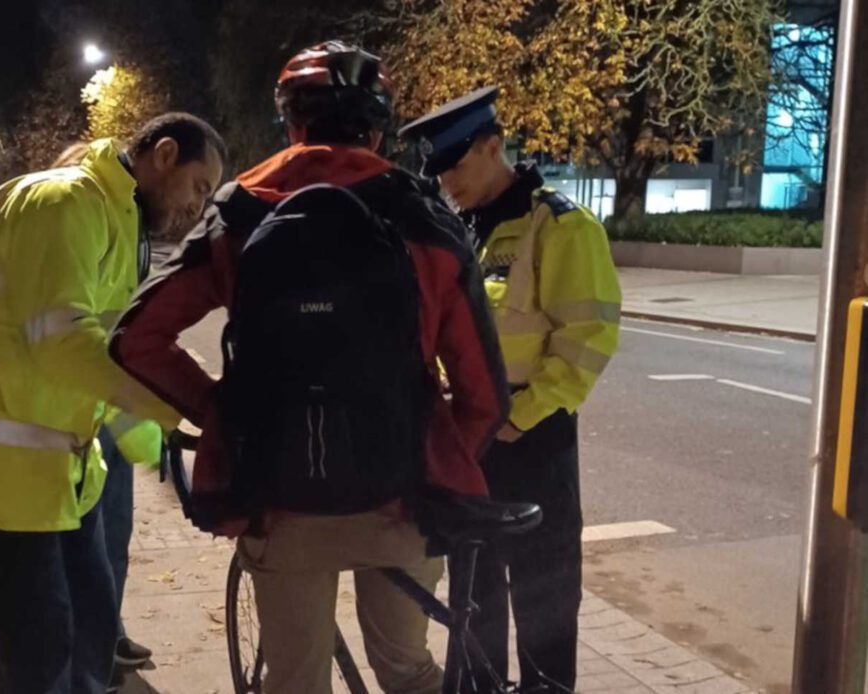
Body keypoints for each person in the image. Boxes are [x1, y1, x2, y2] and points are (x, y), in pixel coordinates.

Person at [109, 42, 511, 694]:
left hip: (279, 498)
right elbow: (485, 396)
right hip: (399, 505)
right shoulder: (423, 214)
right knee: (408, 671)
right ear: (377, 127)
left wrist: (221, 414)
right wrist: (429, 462)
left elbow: (137, 339)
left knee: (295, 682)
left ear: (291, 124)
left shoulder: (239, 208)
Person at [0, 113, 225, 694]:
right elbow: (61, 344)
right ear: (166, 154)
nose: (196, 206)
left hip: (59, 472)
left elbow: (112, 354)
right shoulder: (61, 201)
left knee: (93, 628)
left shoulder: (120, 220)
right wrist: (179, 407)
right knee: (39, 649)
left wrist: (164, 443)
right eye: (199, 186)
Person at [400, 86, 622, 692]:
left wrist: (518, 418)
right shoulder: (460, 230)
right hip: (469, 438)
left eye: (455, 165)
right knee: (474, 597)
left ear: (493, 146)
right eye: (437, 170)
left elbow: (588, 339)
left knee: (543, 593)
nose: (445, 180)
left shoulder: (560, 226)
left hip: (534, 437)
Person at [48, 141, 160, 688]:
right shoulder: (71, 220)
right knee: (82, 555)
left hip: (111, 413)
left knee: (114, 536)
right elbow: (75, 334)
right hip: (78, 419)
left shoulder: (132, 222)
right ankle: (90, 648)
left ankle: (106, 634)